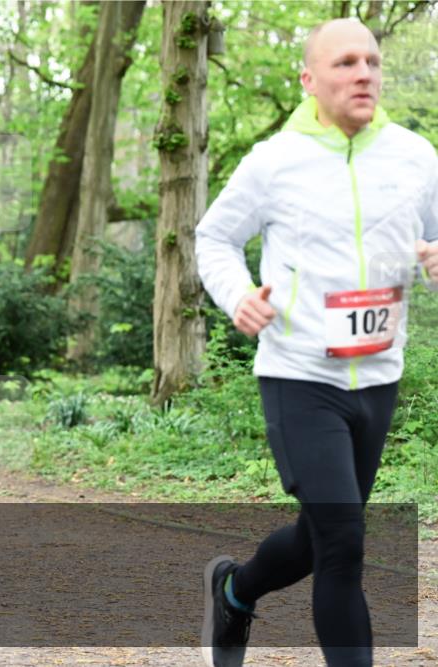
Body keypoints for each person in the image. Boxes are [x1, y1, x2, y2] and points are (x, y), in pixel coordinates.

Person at [195, 19, 438, 667]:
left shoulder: (417, 158)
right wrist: (237, 293)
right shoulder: (274, 162)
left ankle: (235, 589)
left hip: (379, 378)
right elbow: (213, 239)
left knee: (318, 535)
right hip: (299, 376)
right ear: (308, 79)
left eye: (372, 61)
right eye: (345, 63)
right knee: (344, 546)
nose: (364, 73)